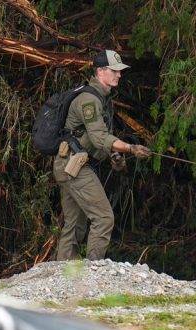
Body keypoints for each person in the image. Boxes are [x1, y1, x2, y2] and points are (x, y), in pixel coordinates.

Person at [54, 49, 151, 261]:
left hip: (68, 165)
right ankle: (94, 271)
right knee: (104, 217)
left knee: (74, 225)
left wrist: (112, 155)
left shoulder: (100, 98)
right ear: (100, 71)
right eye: (114, 70)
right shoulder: (89, 100)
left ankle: (63, 276)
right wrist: (130, 148)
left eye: (120, 71)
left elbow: (90, 139)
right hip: (74, 167)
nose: (119, 75)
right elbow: (99, 137)